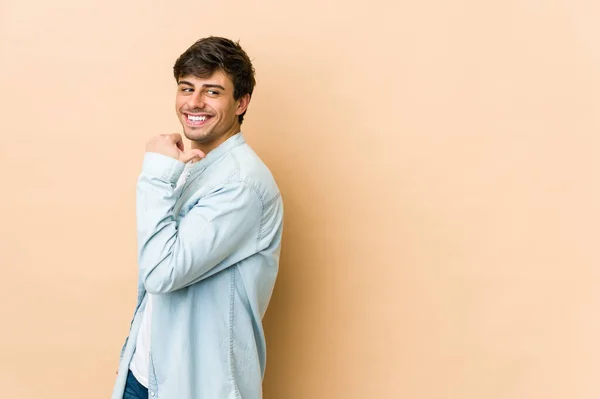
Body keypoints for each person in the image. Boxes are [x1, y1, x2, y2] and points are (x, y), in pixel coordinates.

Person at [111, 36, 284, 399]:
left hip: (197, 387)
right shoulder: (195, 166)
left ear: (241, 102)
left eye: (212, 91)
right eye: (186, 88)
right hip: (147, 376)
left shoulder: (241, 185)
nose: (194, 102)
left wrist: (156, 174)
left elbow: (162, 272)